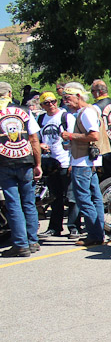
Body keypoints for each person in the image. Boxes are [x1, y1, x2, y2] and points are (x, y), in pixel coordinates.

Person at [60, 82, 110, 247]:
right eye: (64, 98)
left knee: (83, 199)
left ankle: (94, 235)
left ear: (78, 96)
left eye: (68, 97)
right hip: (88, 161)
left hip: (83, 163)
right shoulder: (88, 110)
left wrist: (71, 136)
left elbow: (93, 136)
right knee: (94, 198)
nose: (66, 101)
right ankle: (98, 234)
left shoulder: (87, 112)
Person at [0, 81, 43, 256]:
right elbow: (34, 139)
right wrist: (38, 163)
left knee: (13, 204)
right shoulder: (25, 111)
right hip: (25, 160)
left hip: (4, 161)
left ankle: (20, 244)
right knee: (28, 202)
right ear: (10, 94)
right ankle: (32, 241)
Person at [36, 92, 75, 239]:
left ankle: (73, 227)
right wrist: (40, 144)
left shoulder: (66, 117)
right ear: (42, 106)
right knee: (55, 197)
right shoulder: (41, 118)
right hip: (50, 163)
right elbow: (37, 138)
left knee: (71, 197)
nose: (51, 105)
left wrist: (72, 161)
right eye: (47, 103)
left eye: (53, 101)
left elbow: (73, 140)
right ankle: (54, 227)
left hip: (66, 160)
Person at [90, 80, 111, 148]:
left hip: (105, 144)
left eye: (92, 91)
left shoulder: (95, 107)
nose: (92, 93)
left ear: (99, 92)